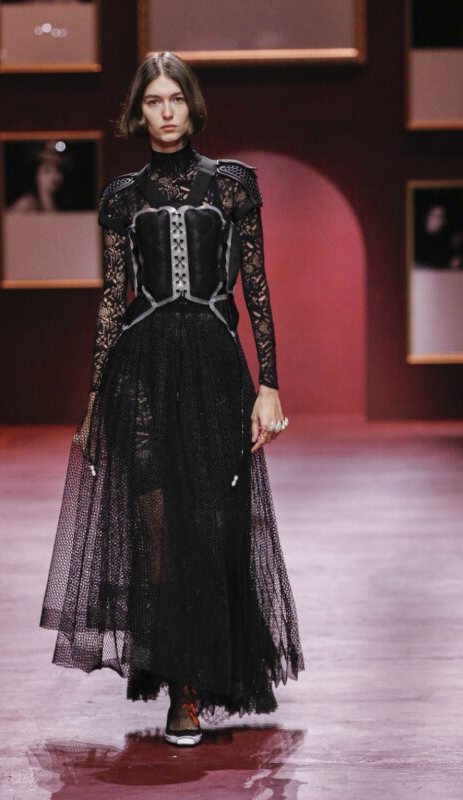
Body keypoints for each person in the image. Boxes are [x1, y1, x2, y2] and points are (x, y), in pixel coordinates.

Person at [39, 51, 305, 747]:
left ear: (192, 107)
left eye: (175, 99)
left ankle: (208, 672)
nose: (165, 111)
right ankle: (181, 691)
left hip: (216, 368)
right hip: (143, 372)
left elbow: (257, 289)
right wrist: (94, 400)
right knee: (157, 528)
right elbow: (111, 301)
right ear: (139, 111)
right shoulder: (122, 198)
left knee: (211, 525)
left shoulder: (233, 185)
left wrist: (269, 384)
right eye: (153, 100)